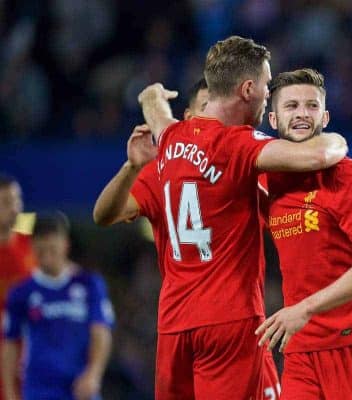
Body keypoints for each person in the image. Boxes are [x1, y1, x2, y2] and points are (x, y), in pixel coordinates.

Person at [96, 35, 347, 399]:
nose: (267, 95)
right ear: (247, 89)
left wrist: (149, 97)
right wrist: (338, 139)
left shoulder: (170, 139)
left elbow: (158, 117)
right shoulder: (236, 143)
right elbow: (316, 156)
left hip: (173, 324)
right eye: (265, 85)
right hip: (230, 319)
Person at [94, 77, 281, 399]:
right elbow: (104, 214)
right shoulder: (163, 170)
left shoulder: (239, 158)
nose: (212, 119)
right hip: (212, 319)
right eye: (205, 109)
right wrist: (131, 167)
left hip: (205, 322)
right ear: (186, 119)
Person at [255, 68, 352, 399]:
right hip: (302, 351)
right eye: (291, 106)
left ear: (324, 116)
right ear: (273, 119)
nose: (301, 114)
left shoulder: (351, 177)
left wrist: (305, 308)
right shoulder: (268, 182)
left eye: (311, 106)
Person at [1, 212, 113, 400]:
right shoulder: (21, 292)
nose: (47, 257)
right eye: (41, 251)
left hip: (81, 388)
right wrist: (10, 394)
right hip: (39, 390)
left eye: (52, 249)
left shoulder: (89, 284)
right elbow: (10, 345)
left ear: (65, 245)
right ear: (32, 248)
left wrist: (94, 374)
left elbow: (101, 332)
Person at [0, 174, 36, 400]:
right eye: (6, 202)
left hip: (28, 349)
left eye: (17, 200)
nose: (14, 208)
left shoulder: (31, 246)